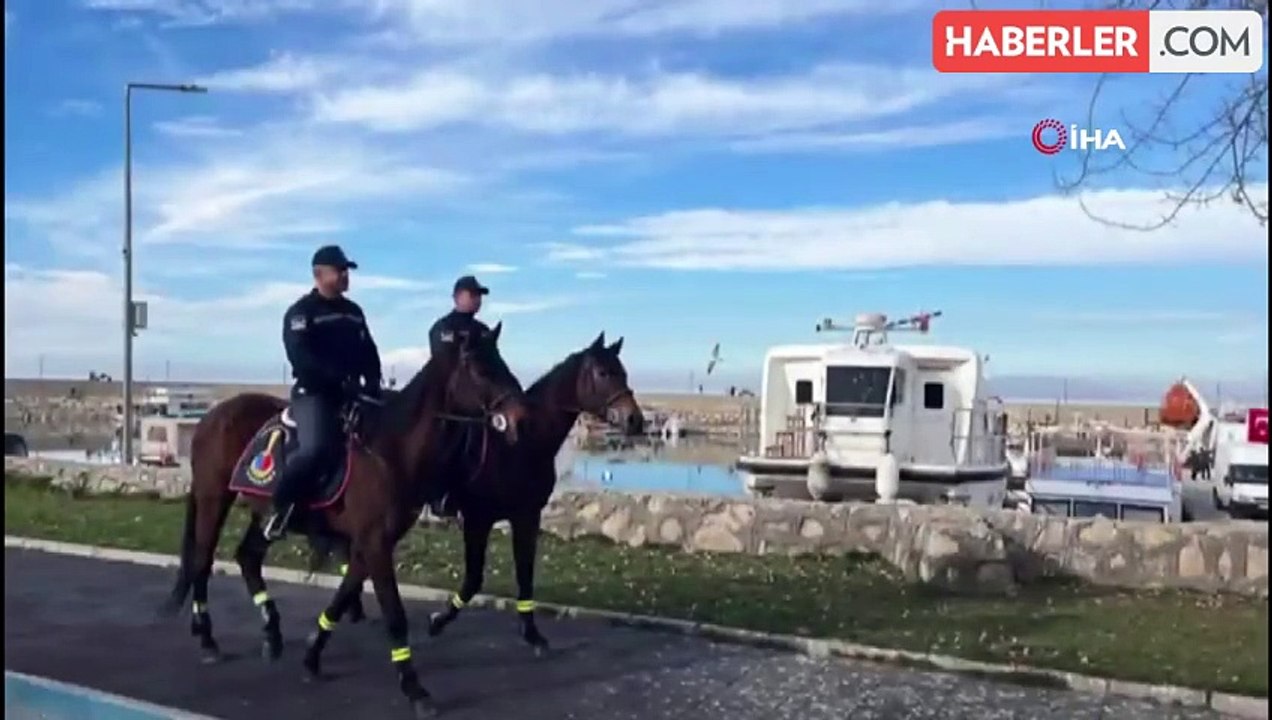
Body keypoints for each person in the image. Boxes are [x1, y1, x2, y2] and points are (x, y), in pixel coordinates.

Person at [264, 245, 382, 541]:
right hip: (315, 394)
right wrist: (337, 380)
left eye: (346, 271)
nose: (345, 276)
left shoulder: (354, 312)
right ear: (319, 275)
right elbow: (301, 358)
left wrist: (373, 381)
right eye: (339, 271)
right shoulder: (301, 313)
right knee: (315, 448)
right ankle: (282, 507)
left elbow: (369, 350)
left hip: (353, 394)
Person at [425, 275, 492, 517]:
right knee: (448, 440)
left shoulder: (484, 331)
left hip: (481, 401)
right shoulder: (444, 328)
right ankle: (439, 494)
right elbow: (443, 365)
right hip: (448, 400)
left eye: (479, 296)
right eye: (472, 295)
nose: (477, 300)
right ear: (457, 297)